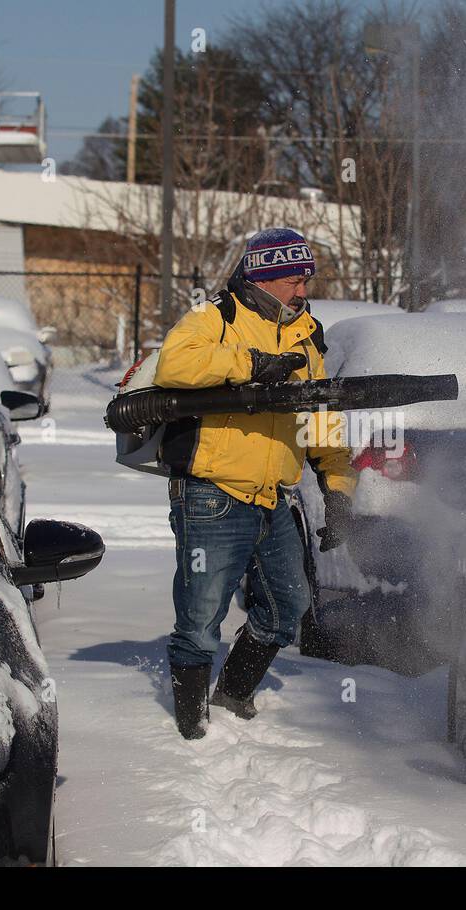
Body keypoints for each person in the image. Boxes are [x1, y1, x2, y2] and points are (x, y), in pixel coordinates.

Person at [154, 228, 357, 739]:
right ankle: (190, 732)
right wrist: (249, 365)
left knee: (289, 606)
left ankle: (233, 694)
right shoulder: (214, 319)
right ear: (267, 276)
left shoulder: (306, 333)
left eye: (306, 279)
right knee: (201, 616)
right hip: (211, 493)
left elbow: (321, 414)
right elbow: (173, 364)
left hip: (275, 498)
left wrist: (337, 487)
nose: (304, 290)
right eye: (296, 278)